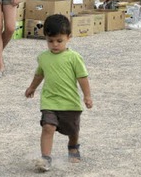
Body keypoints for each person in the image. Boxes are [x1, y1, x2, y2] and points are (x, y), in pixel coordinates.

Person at [24, 14, 93, 172]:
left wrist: (87, 96)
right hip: (49, 101)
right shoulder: (43, 58)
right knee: (47, 127)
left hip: (70, 103)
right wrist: (32, 88)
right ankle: (45, 159)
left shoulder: (74, 58)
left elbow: (83, 78)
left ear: (69, 37)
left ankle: (73, 145)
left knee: (73, 130)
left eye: (59, 41)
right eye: (50, 41)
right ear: (46, 38)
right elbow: (39, 74)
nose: (55, 44)